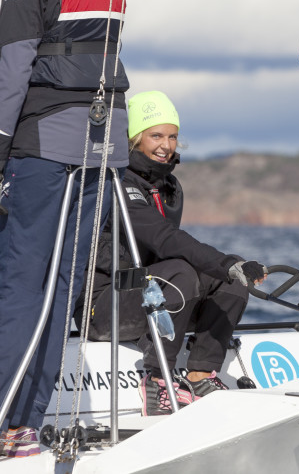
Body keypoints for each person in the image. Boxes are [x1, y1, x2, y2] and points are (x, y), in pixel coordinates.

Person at [0, 0, 129, 458]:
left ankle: (5, 421)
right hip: (105, 146)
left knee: (24, 281)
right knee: (63, 284)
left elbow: (12, 70)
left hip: (43, 144)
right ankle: (27, 423)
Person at [76, 91, 269, 416]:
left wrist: (231, 268)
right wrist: (225, 263)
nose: (166, 145)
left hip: (151, 293)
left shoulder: (169, 187)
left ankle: (199, 375)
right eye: (155, 135)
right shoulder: (115, 182)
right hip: (102, 308)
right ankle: (155, 382)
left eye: (172, 136)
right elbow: (163, 239)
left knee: (232, 281)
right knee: (187, 272)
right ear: (134, 138)